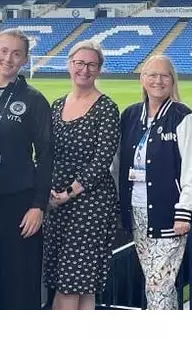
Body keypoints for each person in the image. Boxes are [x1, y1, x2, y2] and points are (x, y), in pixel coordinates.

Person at [0, 28, 54, 310]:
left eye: (16, 53)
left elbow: (46, 156)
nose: (8, 58)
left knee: (20, 284)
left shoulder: (34, 99)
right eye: (3, 51)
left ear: (25, 60)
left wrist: (38, 206)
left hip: (19, 206)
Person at [112, 55, 192, 310]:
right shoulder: (130, 115)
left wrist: (184, 211)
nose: (158, 80)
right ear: (142, 79)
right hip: (137, 213)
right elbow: (117, 164)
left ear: (172, 80)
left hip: (168, 215)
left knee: (159, 285)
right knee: (154, 285)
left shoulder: (182, 116)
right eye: (152, 75)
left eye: (164, 75)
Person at [43, 39, 121, 310]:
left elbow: (102, 161)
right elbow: (47, 153)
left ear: (99, 69)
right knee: (81, 289)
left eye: (91, 64)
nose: (84, 70)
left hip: (91, 207)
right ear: (69, 65)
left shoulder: (106, 108)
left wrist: (68, 193)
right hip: (57, 206)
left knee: (71, 284)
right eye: (79, 63)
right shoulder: (55, 106)